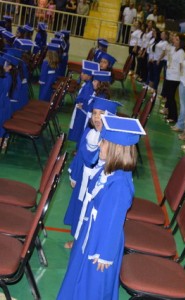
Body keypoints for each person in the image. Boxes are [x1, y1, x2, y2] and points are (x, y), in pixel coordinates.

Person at [57, 115, 146, 300]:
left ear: (116, 149)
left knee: (92, 285)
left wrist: (104, 253)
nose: (99, 145)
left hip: (101, 242)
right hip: (93, 233)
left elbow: (114, 221)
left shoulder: (120, 184)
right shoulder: (109, 169)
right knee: (78, 275)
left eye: (103, 142)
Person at [64, 97, 122, 248]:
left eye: (101, 114)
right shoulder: (88, 133)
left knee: (90, 215)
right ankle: (76, 240)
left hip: (97, 184)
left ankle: (85, 243)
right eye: (94, 113)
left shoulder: (111, 141)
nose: (97, 117)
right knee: (79, 210)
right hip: (84, 177)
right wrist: (75, 174)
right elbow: (80, 157)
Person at [68, 60, 100, 147]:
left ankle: (78, 147)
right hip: (81, 110)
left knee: (80, 130)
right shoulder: (86, 84)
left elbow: (84, 100)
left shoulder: (89, 87)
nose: (81, 74)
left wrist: (80, 103)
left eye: (84, 73)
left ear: (89, 76)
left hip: (83, 112)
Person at [163, 34, 185, 124]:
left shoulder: (181, 53)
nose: (175, 41)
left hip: (175, 78)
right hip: (170, 75)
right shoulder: (175, 50)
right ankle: (169, 114)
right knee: (169, 96)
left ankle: (173, 116)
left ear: (181, 42)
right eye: (175, 39)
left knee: (171, 97)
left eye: (177, 40)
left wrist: (181, 78)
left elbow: (181, 67)